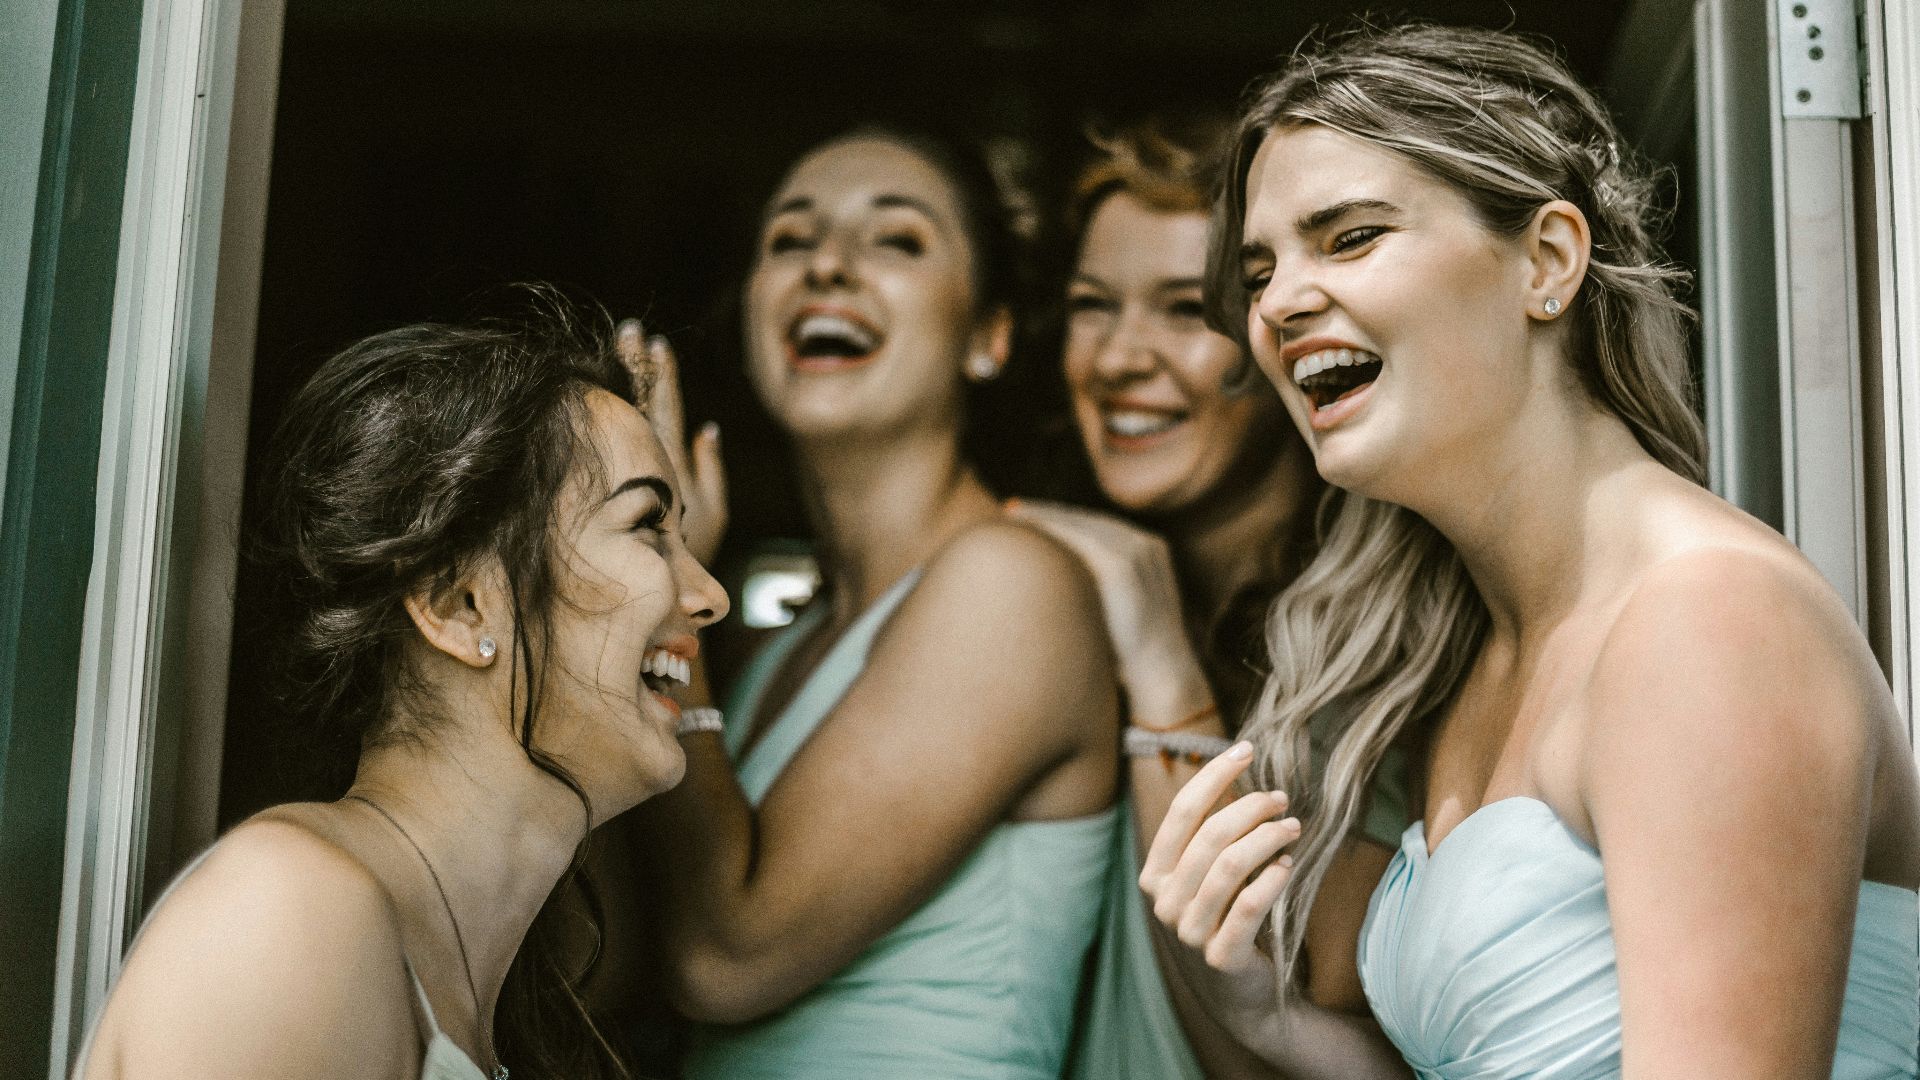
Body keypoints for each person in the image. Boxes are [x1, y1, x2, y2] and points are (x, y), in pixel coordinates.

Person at [1144, 22, 1920, 1078]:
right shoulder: (1481, 660)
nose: (1277, 303)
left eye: (1351, 237)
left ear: (1548, 260)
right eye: (1261, 270)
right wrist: (1266, 1021)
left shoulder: (1707, 621)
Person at [75, 301, 728, 1080]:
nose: (711, 594)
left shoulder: (492, 1000)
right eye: (648, 526)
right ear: (461, 605)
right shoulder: (286, 917)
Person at [624, 126, 1122, 1079]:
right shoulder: (774, 648)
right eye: (789, 241)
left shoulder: (1009, 585)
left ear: (989, 336)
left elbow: (728, 958)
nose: (828, 267)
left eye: (896, 240)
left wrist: (663, 597)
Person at [1015, 117, 1410, 1079]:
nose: (1116, 359)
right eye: (1091, 306)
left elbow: (1285, 1040)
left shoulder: (1387, 638)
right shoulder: (1043, 591)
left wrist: (1161, 667)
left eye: (1187, 310)